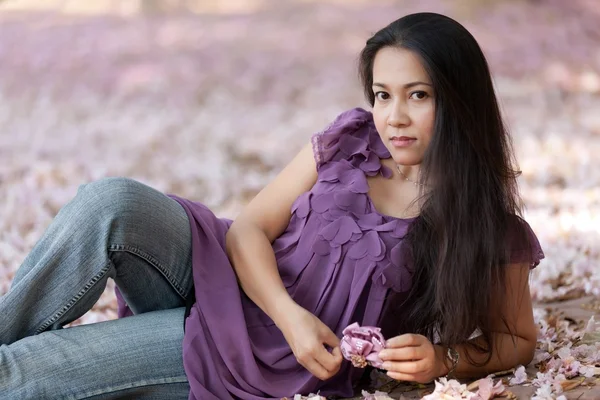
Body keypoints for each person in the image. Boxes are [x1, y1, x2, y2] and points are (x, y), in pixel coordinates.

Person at [0, 12, 544, 400]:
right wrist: (291, 317)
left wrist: (445, 358)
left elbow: (515, 339)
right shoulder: (350, 138)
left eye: (418, 95)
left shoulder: (486, 228)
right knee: (110, 201)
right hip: (223, 273)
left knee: (17, 374)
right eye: (382, 94)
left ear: (458, 98)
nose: (393, 116)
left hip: (256, 355)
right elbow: (249, 230)